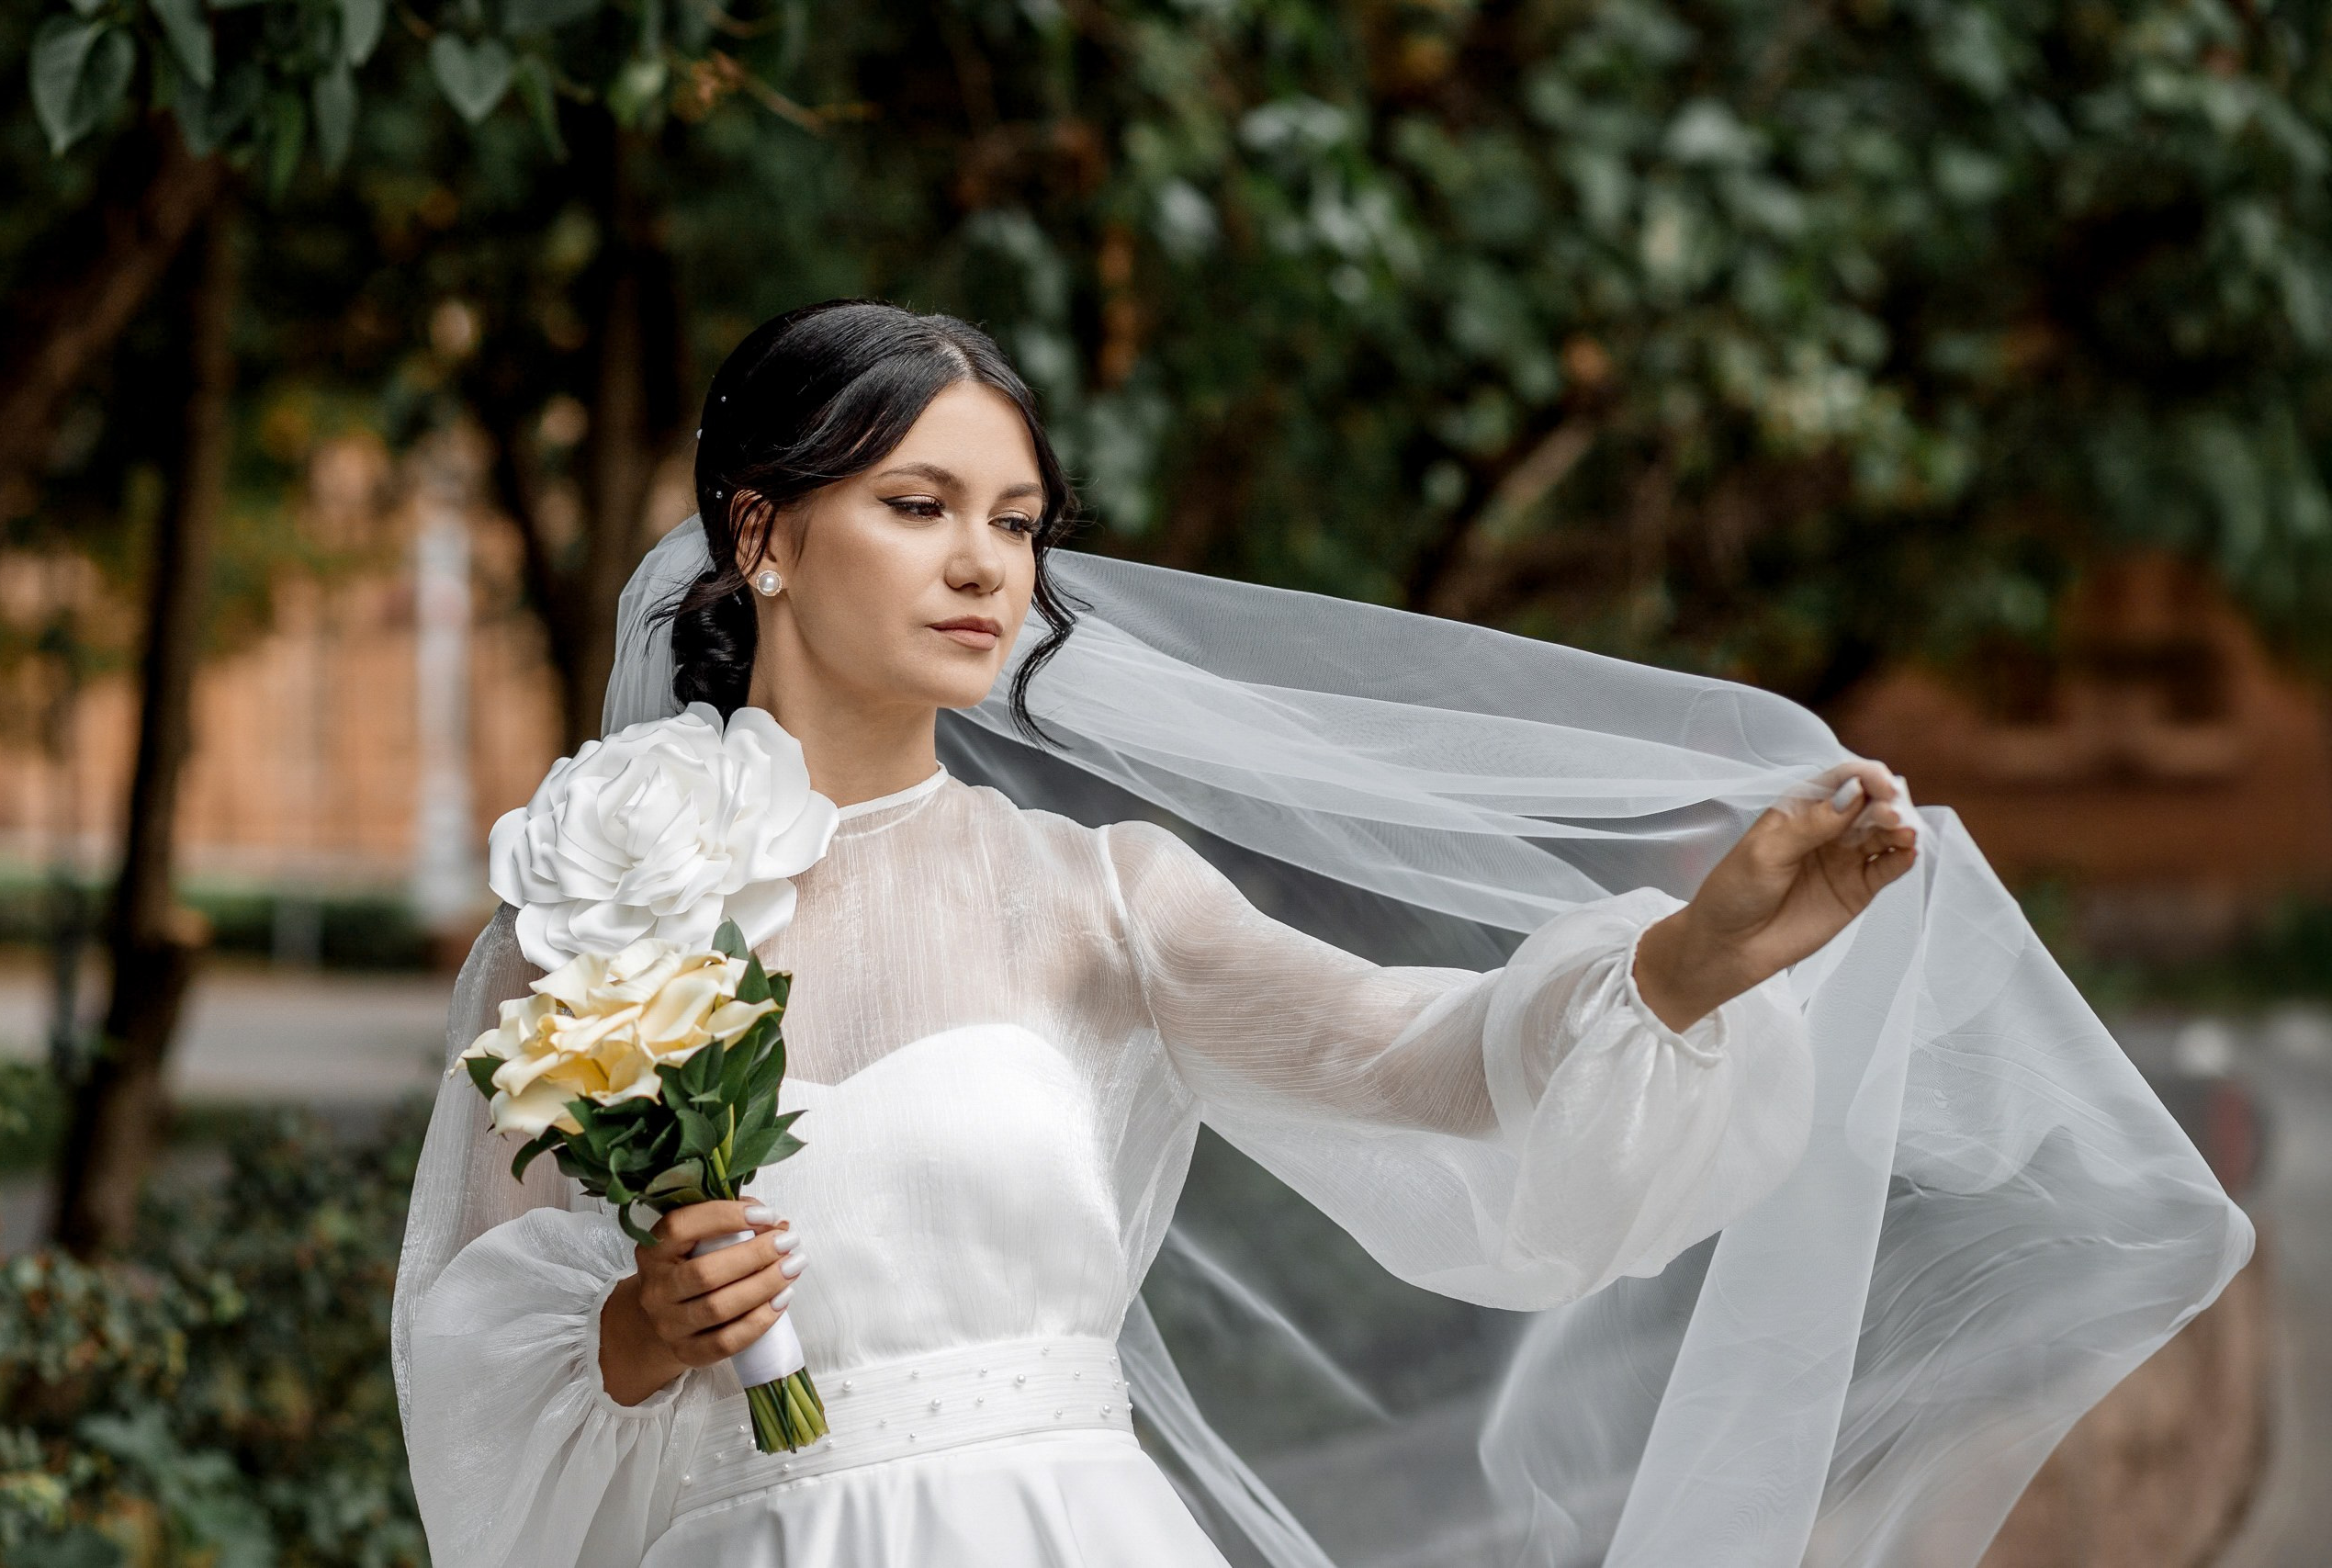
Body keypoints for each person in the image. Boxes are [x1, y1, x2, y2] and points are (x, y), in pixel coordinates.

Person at [392, 300, 2246, 1568]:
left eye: (1017, 520)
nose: (985, 565)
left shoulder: (1088, 896)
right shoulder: (590, 929)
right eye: (917, 504)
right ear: (764, 536)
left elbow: (1424, 1056)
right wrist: (639, 1329)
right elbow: (491, 1355)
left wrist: (1681, 963)